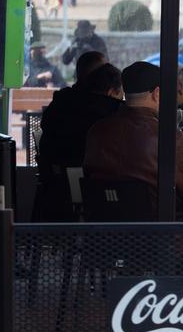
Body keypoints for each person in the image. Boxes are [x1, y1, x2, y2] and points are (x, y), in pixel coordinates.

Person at [83, 61, 183, 219]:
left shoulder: (97, 132)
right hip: (160, 236)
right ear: (157, 93)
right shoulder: (169, 137)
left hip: (106, 235)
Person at [34, 60, 124, 222]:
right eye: (120, 95)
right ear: (112, 92)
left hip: (56, 187)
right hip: (91, 191)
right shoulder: (110, 114)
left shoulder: (63, 102)